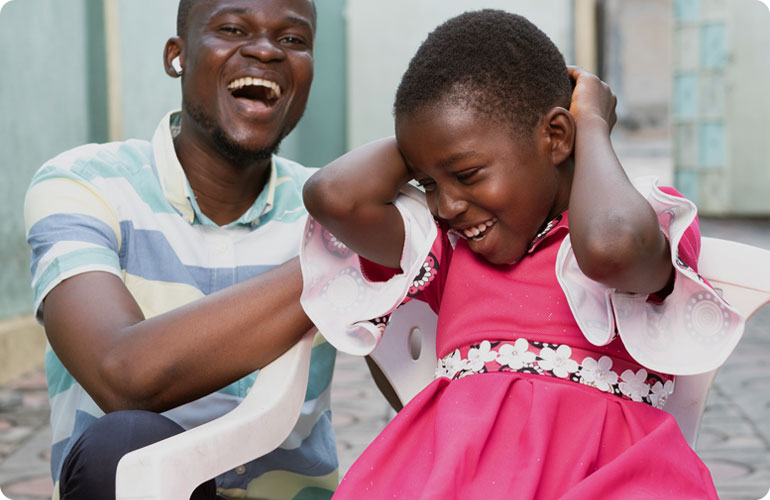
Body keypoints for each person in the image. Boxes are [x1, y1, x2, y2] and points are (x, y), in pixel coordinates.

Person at [300, 10, 744, 499]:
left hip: (608, 476)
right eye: (428, 182)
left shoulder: (640, 219)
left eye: (466, 175)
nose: (446, 206)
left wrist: (591, 124)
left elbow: (610, 250)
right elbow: (332, 196)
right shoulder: (447, 249)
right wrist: (432, 137)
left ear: (557, 137)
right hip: (458, 480)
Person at [23, 0, 339, 498]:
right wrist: (334, 259)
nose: (265, 51)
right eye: (232, 29)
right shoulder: (85, 184)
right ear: (177, 56)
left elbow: (427, 381)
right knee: (123, 446)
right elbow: (121, 375)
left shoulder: (328, 209)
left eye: (293, 39)